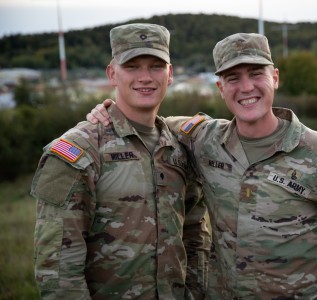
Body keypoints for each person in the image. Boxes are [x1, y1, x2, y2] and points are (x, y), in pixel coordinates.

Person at [88, 33, 317, 299]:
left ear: (275, 78)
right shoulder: (203, 139)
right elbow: (154, 124)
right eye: (233, 78)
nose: (246, 87)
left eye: (256, 73)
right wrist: (110, 112)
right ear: (220, 87)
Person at [31, 23, 210, 300]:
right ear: (112, 73)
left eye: (155, 66)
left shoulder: (179, 147)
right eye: (133, 66)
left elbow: (196, 234)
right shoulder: (79, 150)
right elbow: (57, 267)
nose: (145, 77)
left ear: (170, 74)